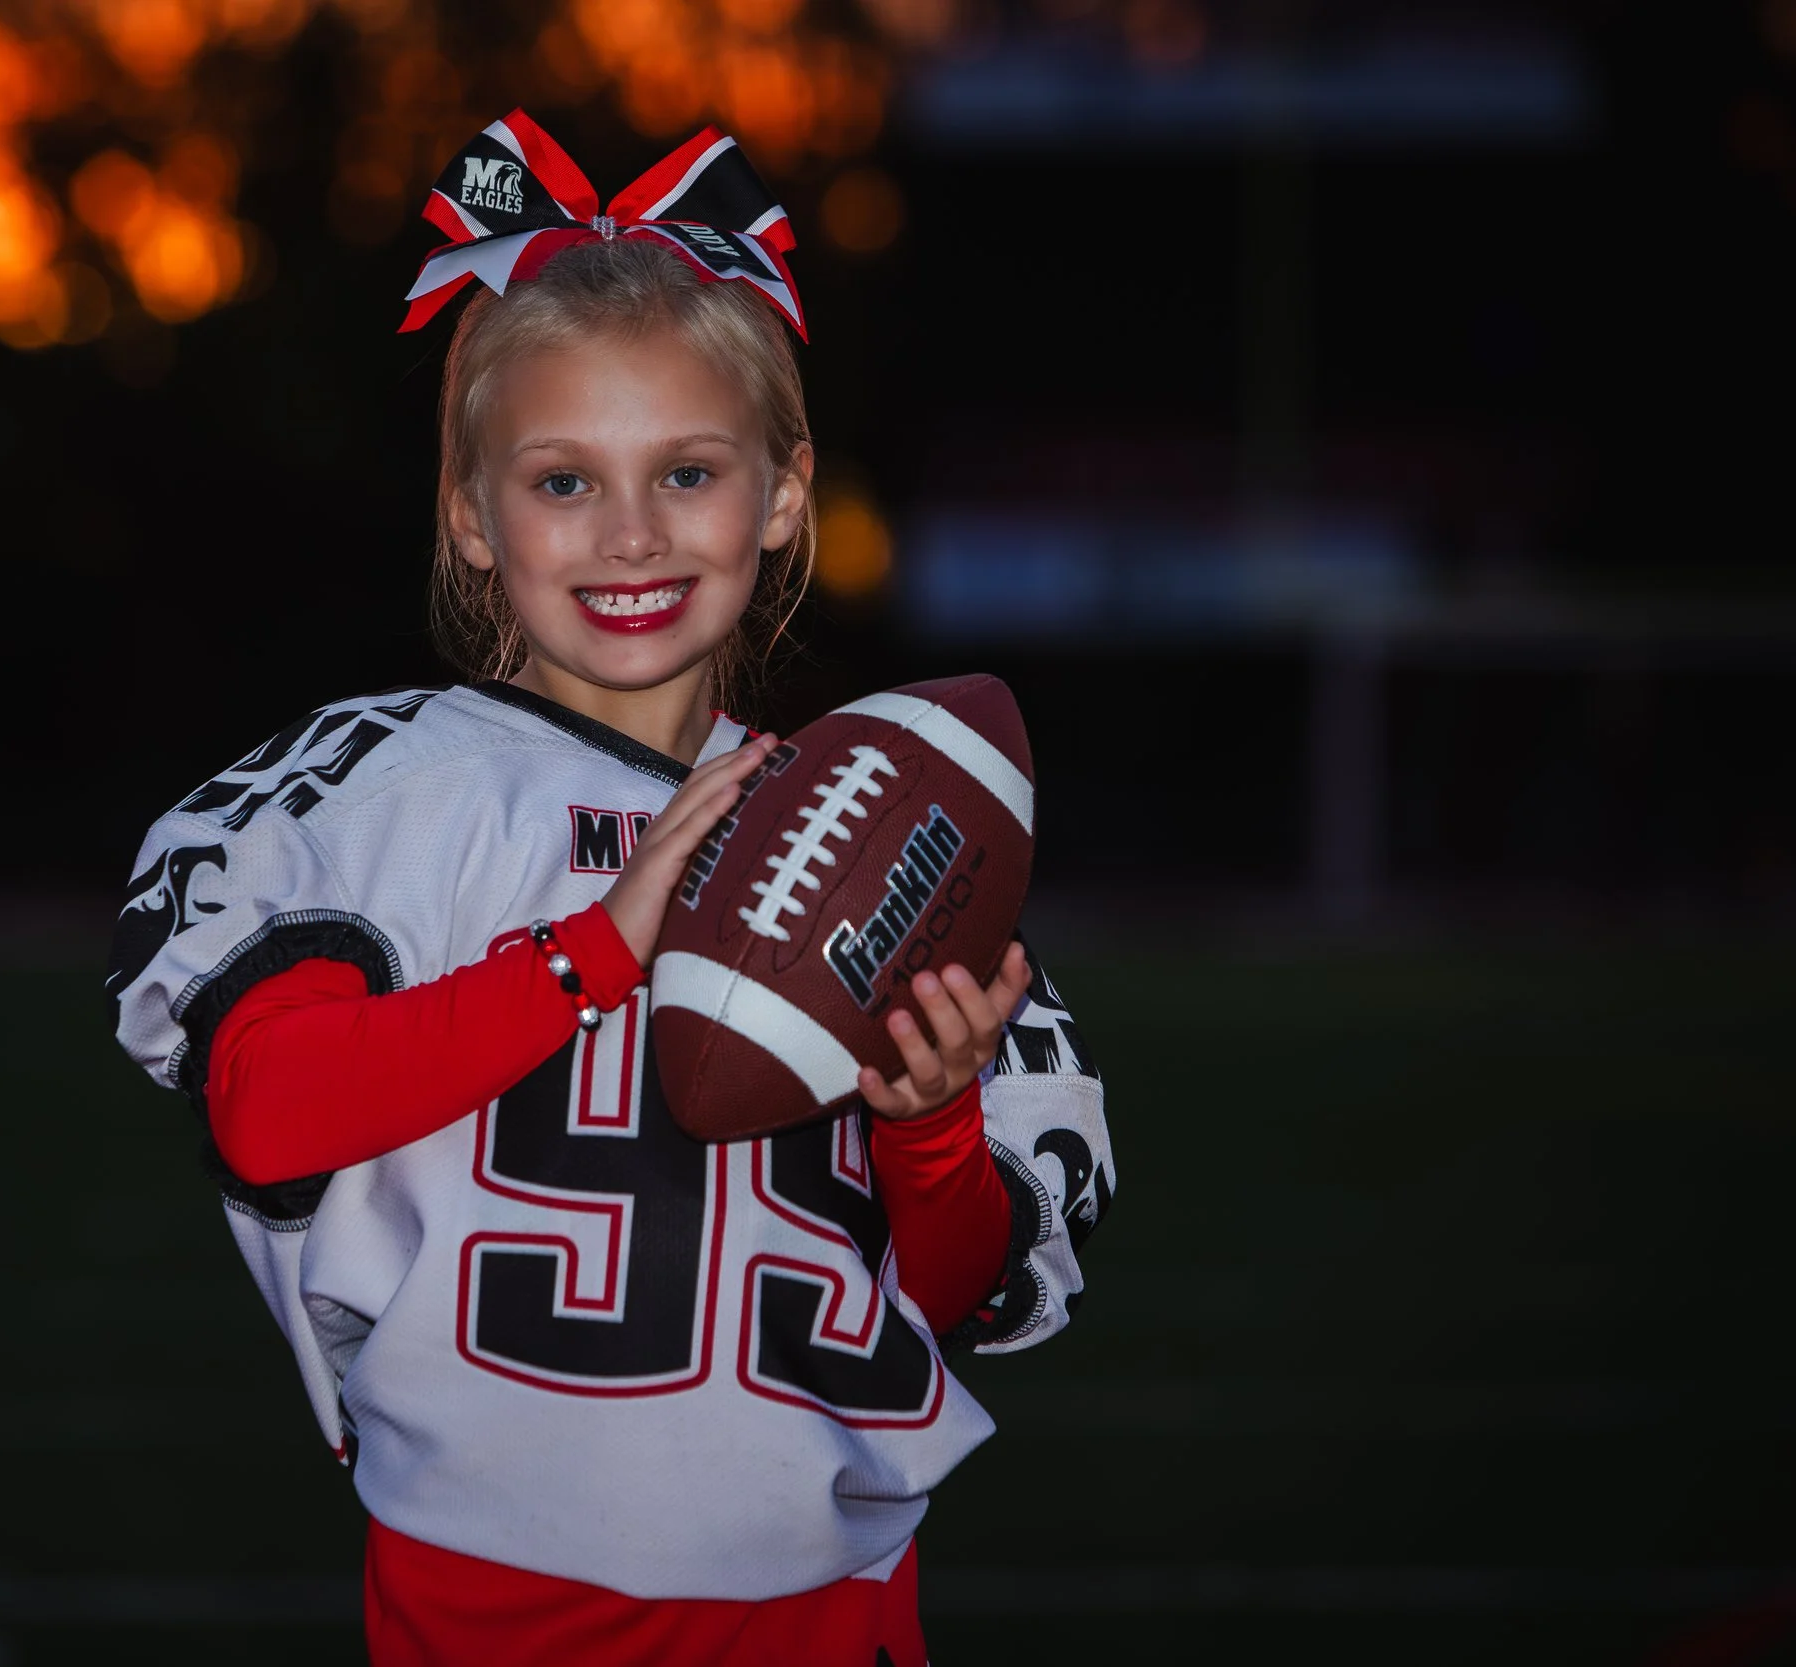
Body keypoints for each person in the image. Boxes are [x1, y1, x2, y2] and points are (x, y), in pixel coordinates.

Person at [108, 112, 1116, 1666]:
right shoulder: (392, 791)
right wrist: (595, 947)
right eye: (563, 480)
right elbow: (265, 1104)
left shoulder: (883, 834)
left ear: (783, 495)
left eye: (688, 471)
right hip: (491, 1607)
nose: (631, 532)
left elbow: (966, 1284)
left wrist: (926, 1119)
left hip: (828, 1614)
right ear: (467, 510)